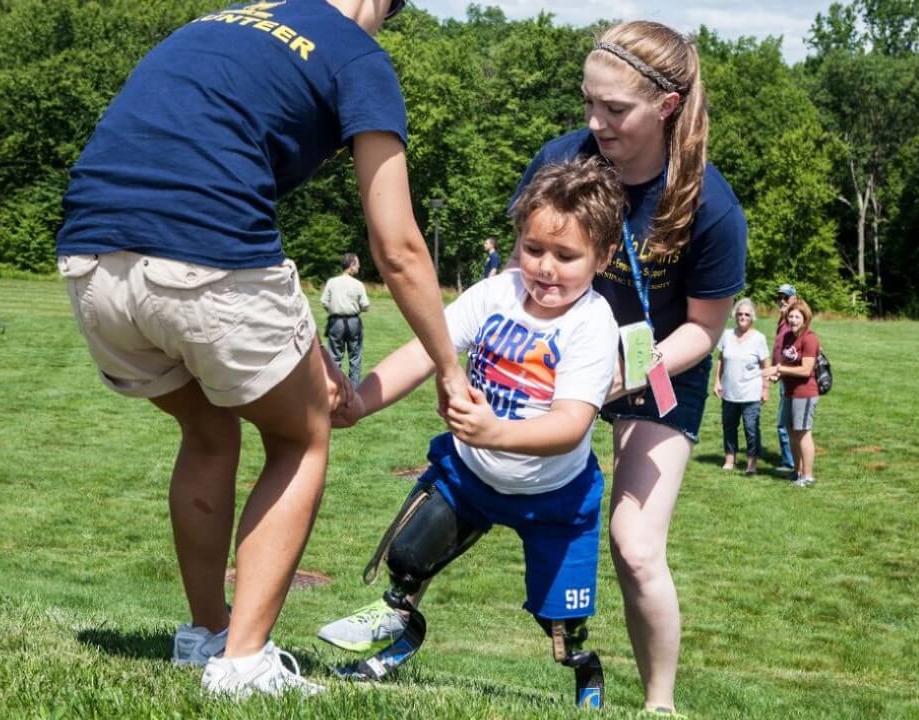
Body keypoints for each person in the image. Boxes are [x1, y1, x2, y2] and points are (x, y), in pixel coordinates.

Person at [320, 20, 747, 713]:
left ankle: (659, 704)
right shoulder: (563, 160)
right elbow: (507, 285)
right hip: (549, 353)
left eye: (614, 109)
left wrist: (625, 375)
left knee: (635, 546)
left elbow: (704, 328)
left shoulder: (708, 203)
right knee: (475, 483)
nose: (594, 121)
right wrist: (364, 400)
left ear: (665, 107)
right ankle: (397, 625)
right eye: (589, 102)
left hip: (655, 367)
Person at [54, 0, 469, 699]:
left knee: (209, 432)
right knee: (301, 439)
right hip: (206, 260)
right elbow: (396, 246)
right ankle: (243, 664)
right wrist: (450, 370)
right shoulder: (358, 56)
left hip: (91, 262)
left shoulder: (215, 22)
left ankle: (204, 634)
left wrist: (314, 360)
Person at [325, 157, 623, 708]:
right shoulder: (496, 294)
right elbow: (425, 348)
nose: (546, 269)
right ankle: (401, 632)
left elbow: (571, 424)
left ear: (602, 257)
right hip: (470, 477)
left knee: (560, 628)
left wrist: (494, 431)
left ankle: (585, 672)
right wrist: (361, 400)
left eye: (567, 255)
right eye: (534, 249)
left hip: (556, 499)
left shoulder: (592, 324)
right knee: (408, 558)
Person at [764, 298, 820, 487]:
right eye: (791, 316)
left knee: (803, 432)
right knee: (791, 432)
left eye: (797, 317)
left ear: (805, 319)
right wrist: (776, 376)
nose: (794, 320)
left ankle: (808, 476)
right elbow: (788, 364)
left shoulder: (809, 338)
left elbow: (806, 370)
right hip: (789, 392)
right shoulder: (789, 337)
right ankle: (797, 472)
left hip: (804, 393)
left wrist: (778, 368)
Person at [712, 298, 769, 475]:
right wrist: (717, 381)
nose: (742, 317)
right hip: (729, 391)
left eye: (746, 314)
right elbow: (721, 359)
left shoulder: (759, 338)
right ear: (734, 316)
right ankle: (730, 459)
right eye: (739, 314)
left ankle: (752, 463)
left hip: (751, 392)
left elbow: (766, 365)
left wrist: (765, 389)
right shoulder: (727, 335)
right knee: (729, 426)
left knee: (751, 428)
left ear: (752, 317)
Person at [321, 253, 371, 385]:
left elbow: (324, 302)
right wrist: (357, 309)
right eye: (357, 264)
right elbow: (365, 306)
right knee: (355, 359)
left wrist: (333, 311)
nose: (359, 267)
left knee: (334, 359)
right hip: (354, 322)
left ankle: (334, 389)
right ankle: (355, 392)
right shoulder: (358, 284)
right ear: (352, 265)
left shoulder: (331, 282)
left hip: (335, 322)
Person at [772, 283, 797, 474]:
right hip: (781, 374)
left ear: (794, 299)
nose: (781, 301)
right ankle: (791, 460)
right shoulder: (783, 319)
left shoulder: (794, 320)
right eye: (779, 297)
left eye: (785, 297)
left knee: (785, 422)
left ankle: (790, 463)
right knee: (786, 421)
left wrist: (780, 370)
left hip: (789, 376)